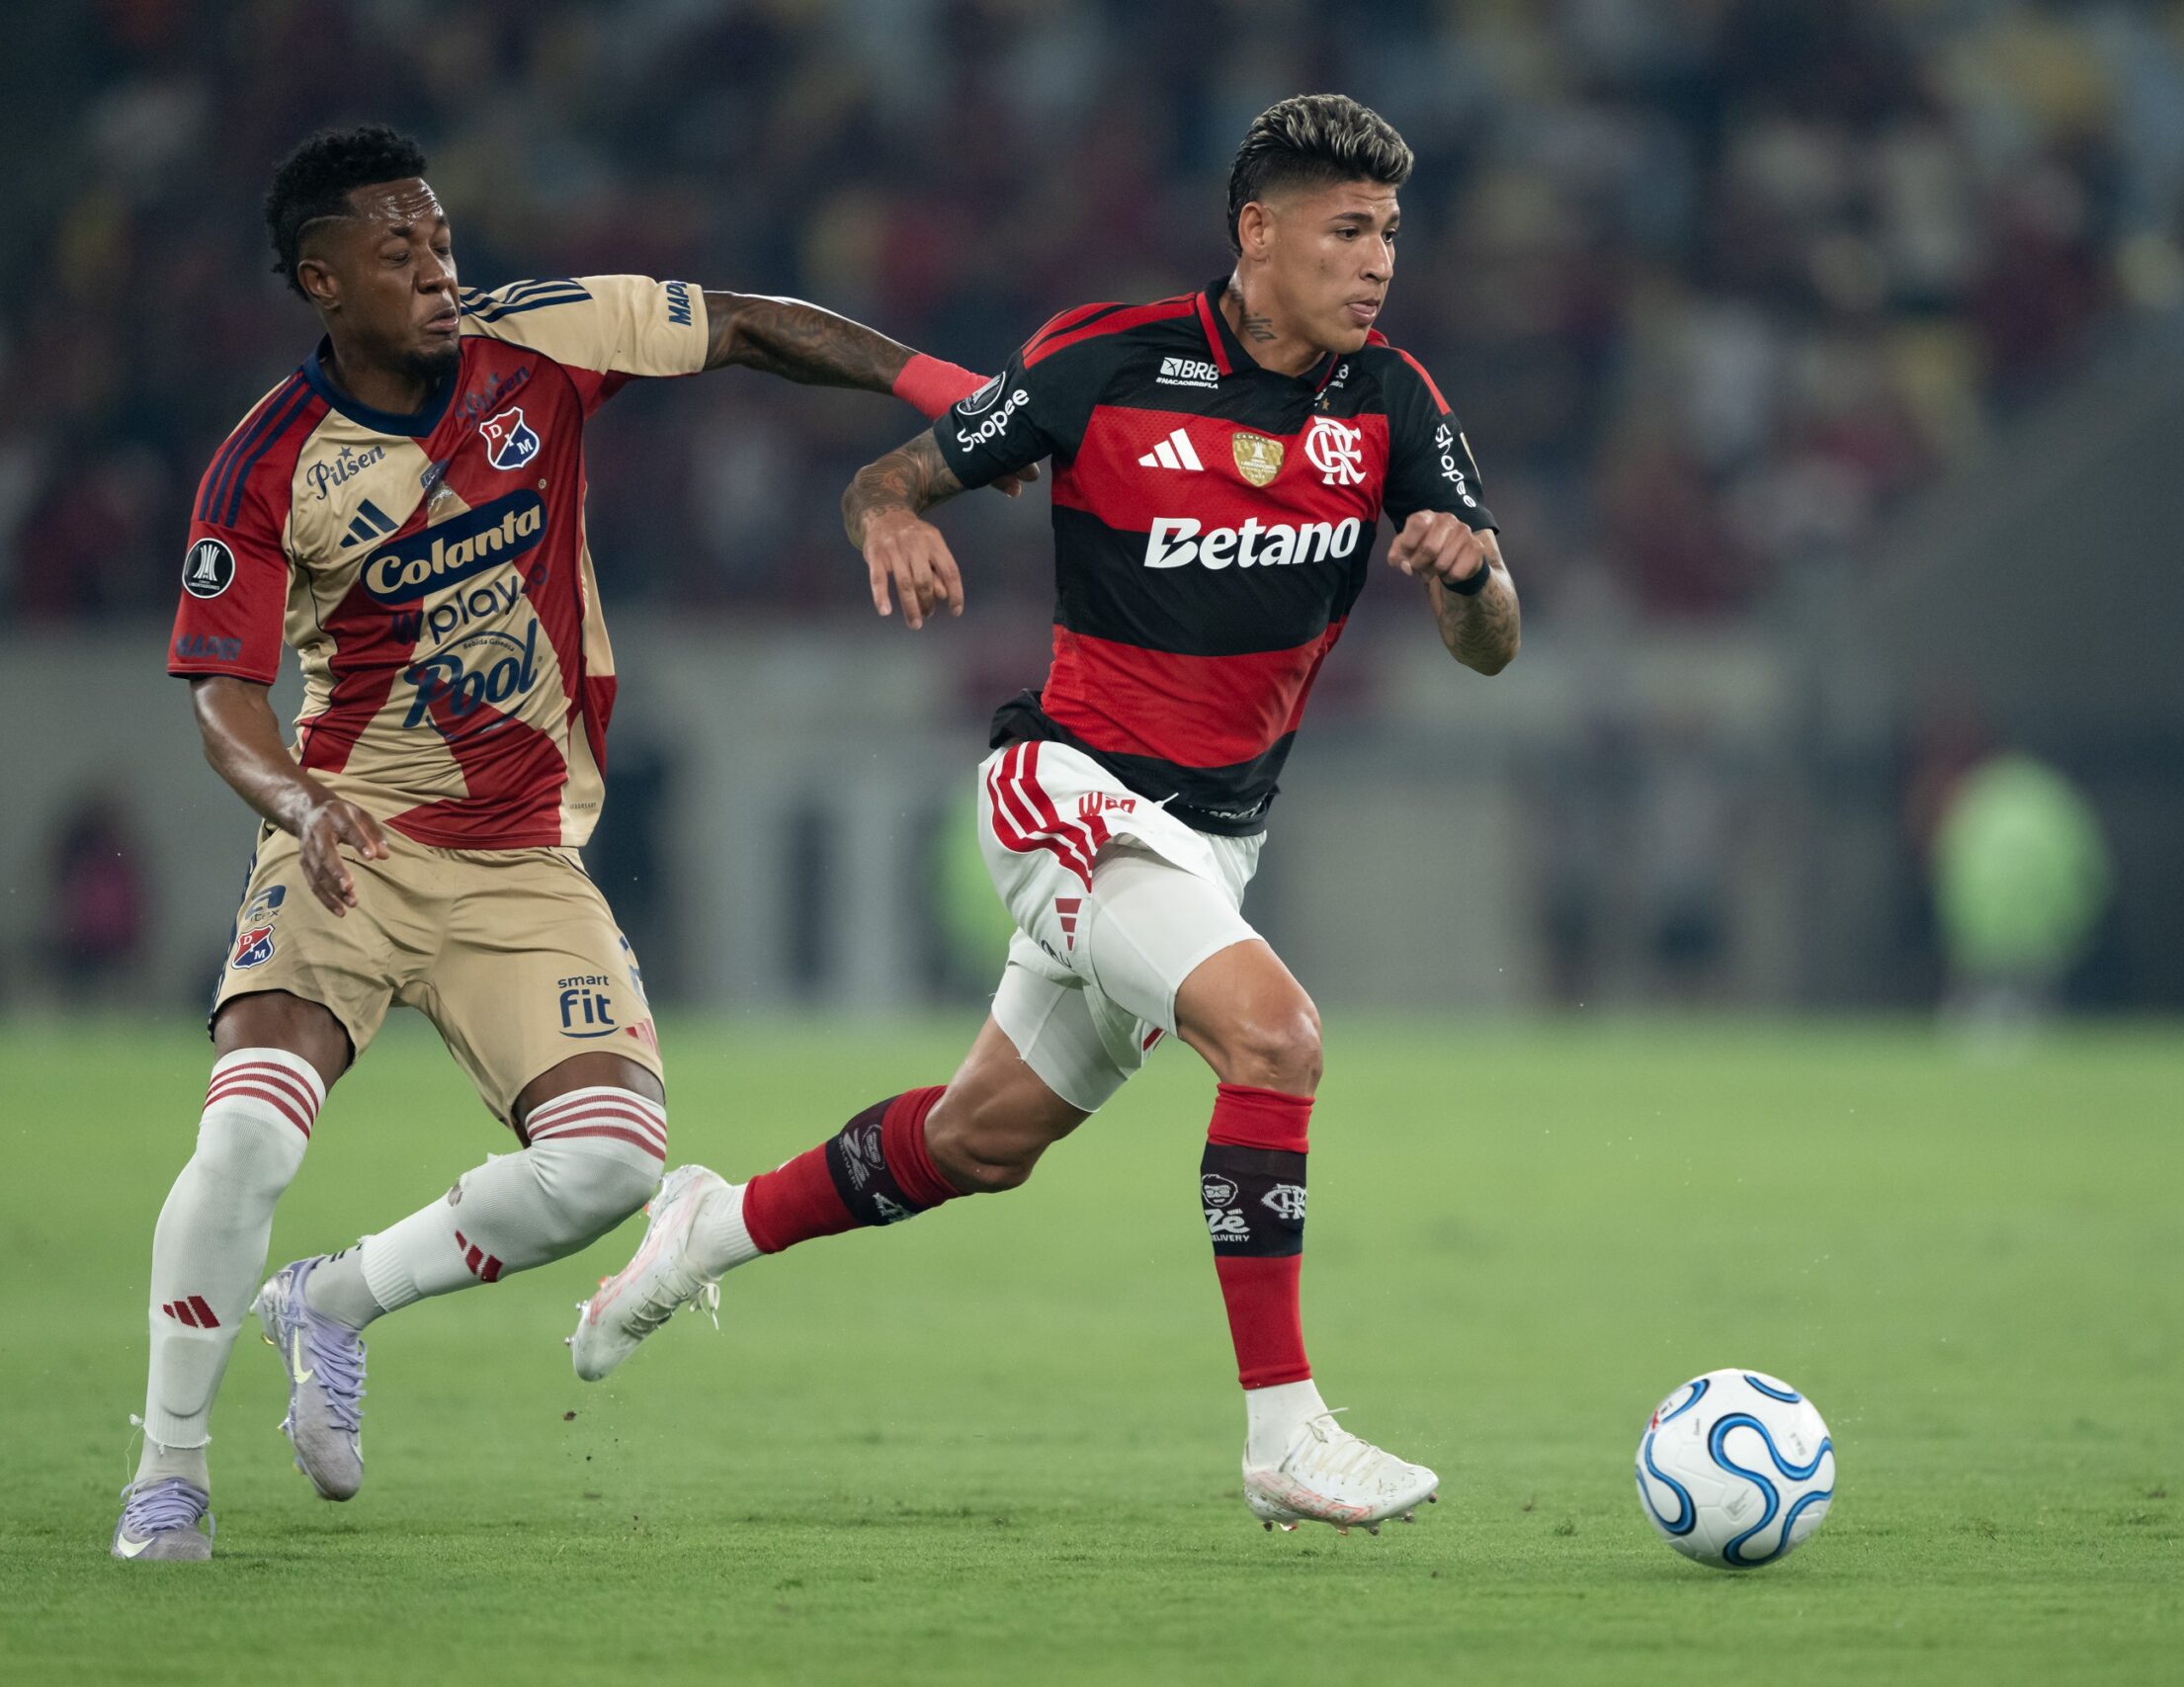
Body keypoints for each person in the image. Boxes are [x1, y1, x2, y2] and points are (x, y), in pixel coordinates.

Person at [572, 95, 1521, 1535]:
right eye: (1349, 230)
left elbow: (1491, 646)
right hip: (1071, 792)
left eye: (1390, 231)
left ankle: (713, 1224)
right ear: (1258, 233)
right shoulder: (1107, 358)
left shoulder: (1392, 402)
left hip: (1212, 844)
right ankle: (1287, 1435)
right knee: (1275, 1038)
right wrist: (892, 517)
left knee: (978, 1143)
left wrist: (1469, 575)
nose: (1380, 260)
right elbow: (894, 472)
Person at [114, 124, 1011, 1560]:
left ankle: (332, 1302)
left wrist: (956, 397)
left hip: (525, 861)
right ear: (321, 280)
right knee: (246, 1138)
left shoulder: (539, 339)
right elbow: (222, 697)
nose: (435, 267)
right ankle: (169, 1473)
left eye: (440, 237)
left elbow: (747, 325)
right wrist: (302, 807)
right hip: (350, 843)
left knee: (610, 1164)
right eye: (396, 249)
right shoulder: (265, 464)